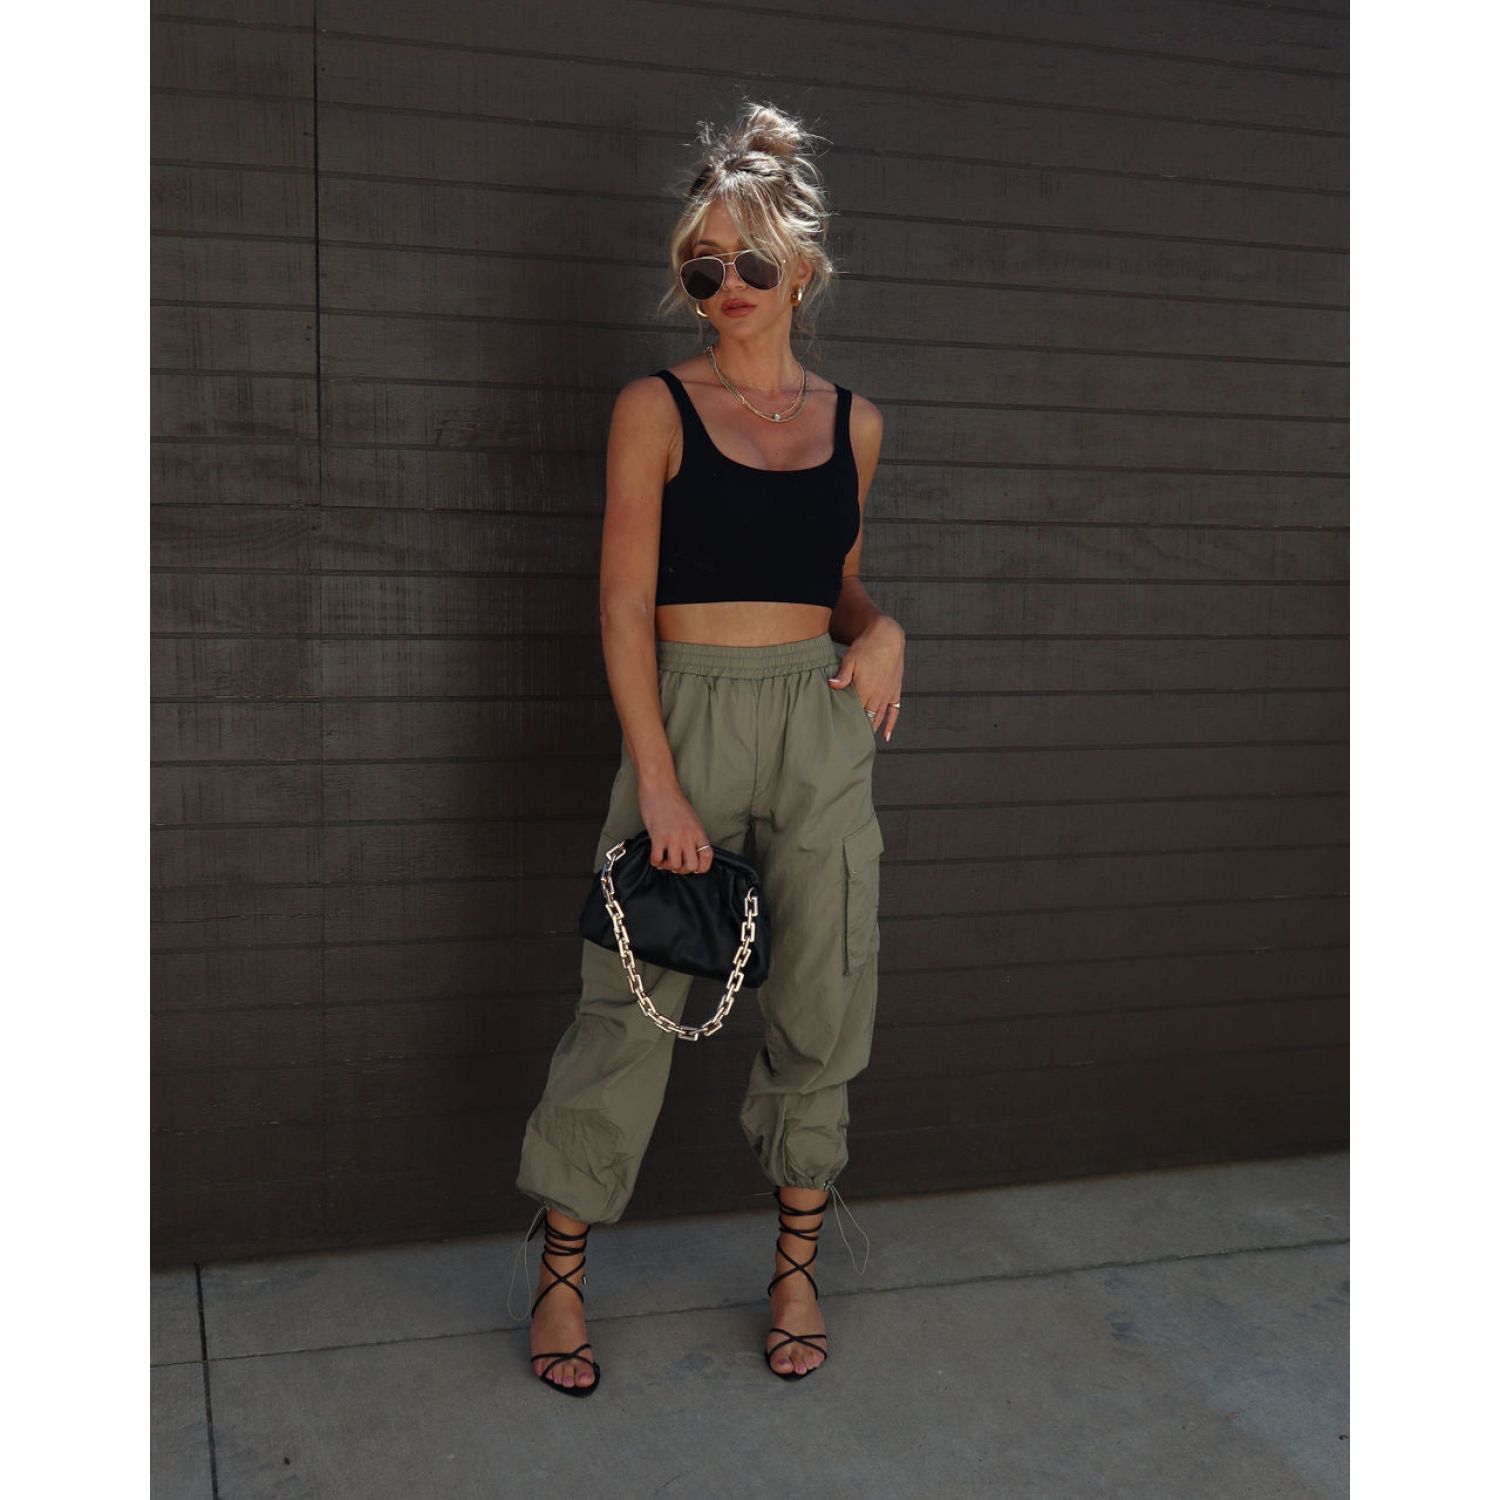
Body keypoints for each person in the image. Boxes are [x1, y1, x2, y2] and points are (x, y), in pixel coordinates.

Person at [508, 100, 905, 1394]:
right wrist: (662, 784)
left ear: (803, 267)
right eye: (701, 267)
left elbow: (833, 583)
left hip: (818, 724)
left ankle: (794, 1271)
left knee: (825, 997)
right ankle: (560, 1280)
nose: (725, 284)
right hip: (683, 717)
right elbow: (623, 604)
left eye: (749, 260)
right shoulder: (657, 408)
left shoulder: (853, 422)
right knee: (628, 1005)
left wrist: (882, 628)